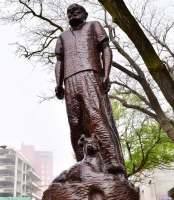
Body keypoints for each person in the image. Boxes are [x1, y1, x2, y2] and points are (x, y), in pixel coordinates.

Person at [54, 3, 125, 176]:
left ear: (85, 14)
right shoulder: (63, 36)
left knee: (96, 118)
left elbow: (105, 49)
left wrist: (106, 74)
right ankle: (83, 166)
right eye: (69, 12)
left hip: (91, 74)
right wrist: (58, 83)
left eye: (76, 10)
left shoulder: (94, 26)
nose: (72, 12)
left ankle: (112, 163)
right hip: (70, 80)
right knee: (75, 124)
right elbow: (59, 62)